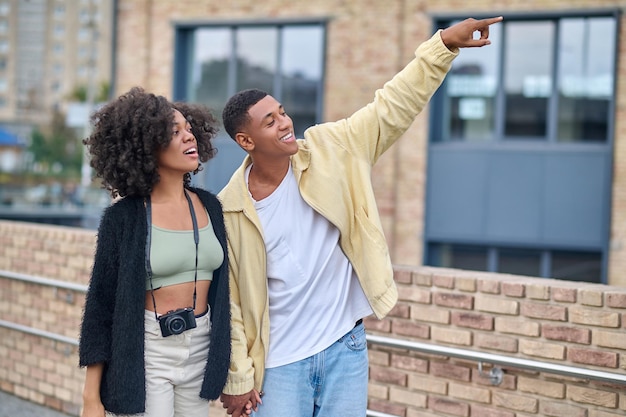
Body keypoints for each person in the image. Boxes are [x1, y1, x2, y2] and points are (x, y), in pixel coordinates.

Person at [217, 16, 503, 417]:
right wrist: (237, 378)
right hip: (279, 364)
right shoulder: (228, 208)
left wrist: (443, 46)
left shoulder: (333, 148)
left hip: (344, 348)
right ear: (246, 141)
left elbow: (391, 107)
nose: (284, 123)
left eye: (281, 112)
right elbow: (228, 303)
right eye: (270, 121)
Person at [78, 87, 232, 417]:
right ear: (146, 147)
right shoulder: (123, 218)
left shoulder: (210, 207)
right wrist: (91, 398)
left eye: (189, 129)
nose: (188, 137)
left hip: (200, 347)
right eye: (174, 133)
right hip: (147, 351)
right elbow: (101, 308)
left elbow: (225, 293)